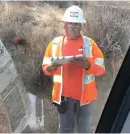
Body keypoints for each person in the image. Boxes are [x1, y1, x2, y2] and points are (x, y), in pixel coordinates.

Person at [42, 5, 106, 133]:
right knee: (65, 129)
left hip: (85, 98)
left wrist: (87, 65)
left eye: (77, 23)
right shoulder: (54, 44)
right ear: (64, 25)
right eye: (70, 23)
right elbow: (45, 68)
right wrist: (51, 67)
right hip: (64, 98)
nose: (73, 26)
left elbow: (101, 69)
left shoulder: (90, 44)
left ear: (81, 25)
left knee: (84, 130)